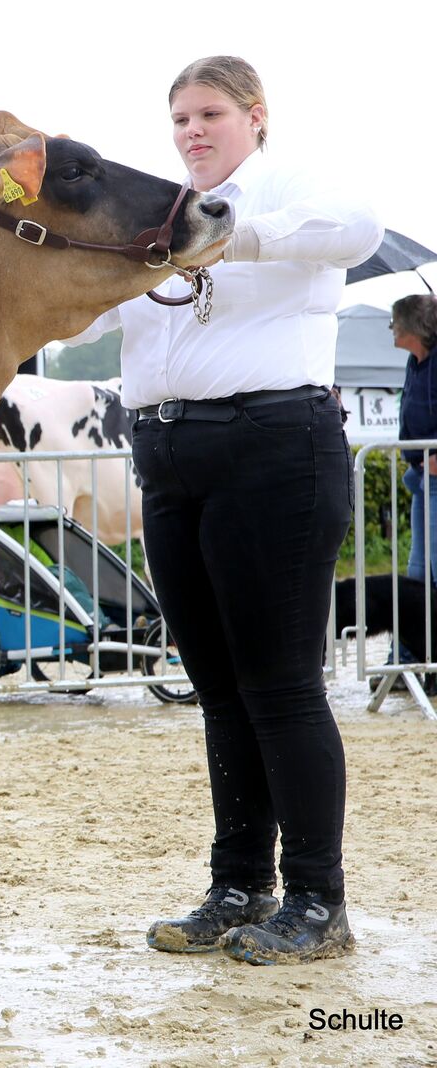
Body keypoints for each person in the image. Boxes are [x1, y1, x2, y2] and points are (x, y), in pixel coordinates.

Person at [64, 56, 381, 964]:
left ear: (255, 116)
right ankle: (240, 884)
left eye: (208, 114)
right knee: (220, 691)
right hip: (170, 460)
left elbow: (358, 230)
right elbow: (82, 323)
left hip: (274, 448)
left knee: (280, 686)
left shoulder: (283, 187)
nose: (191, 132)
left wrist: (234, 233)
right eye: (178, 119)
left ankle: (320, 899)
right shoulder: (160, 213)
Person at [384, 295, 437, 677]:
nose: (391, 328)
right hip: (420, 474)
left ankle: (411, 658)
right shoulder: (415, 362)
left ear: (413, 325)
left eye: (395, 321)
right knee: (417, 572)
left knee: (428, 571)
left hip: (432, 473)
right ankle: (407, 658)